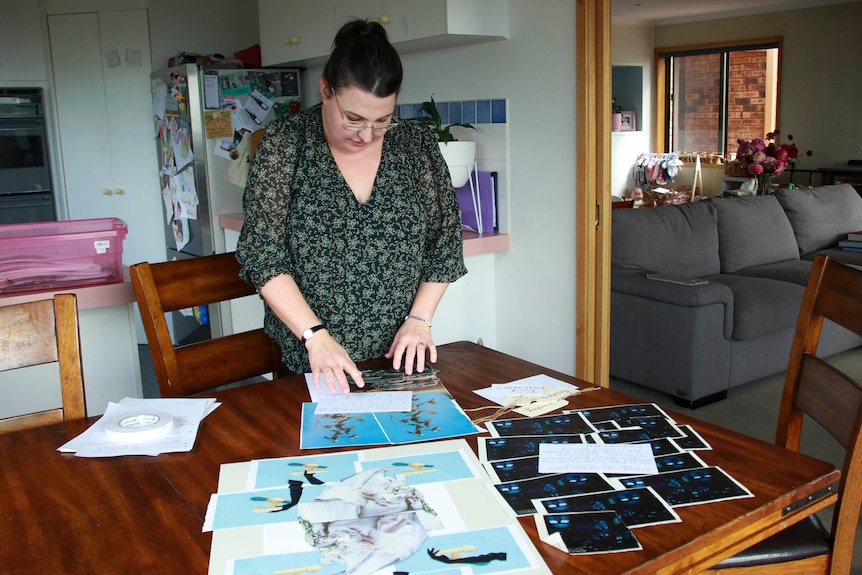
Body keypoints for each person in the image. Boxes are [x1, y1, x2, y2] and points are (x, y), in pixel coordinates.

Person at [236, 19, 467, 394]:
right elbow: (262, 255)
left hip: (402, 357)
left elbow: (444, 244)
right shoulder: (286, 144)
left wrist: (419, 320)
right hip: (313, 359)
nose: (366, 135)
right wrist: (315, 337)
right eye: (353, 119)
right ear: (325, 89)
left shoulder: (415, 146)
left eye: (382, 121)